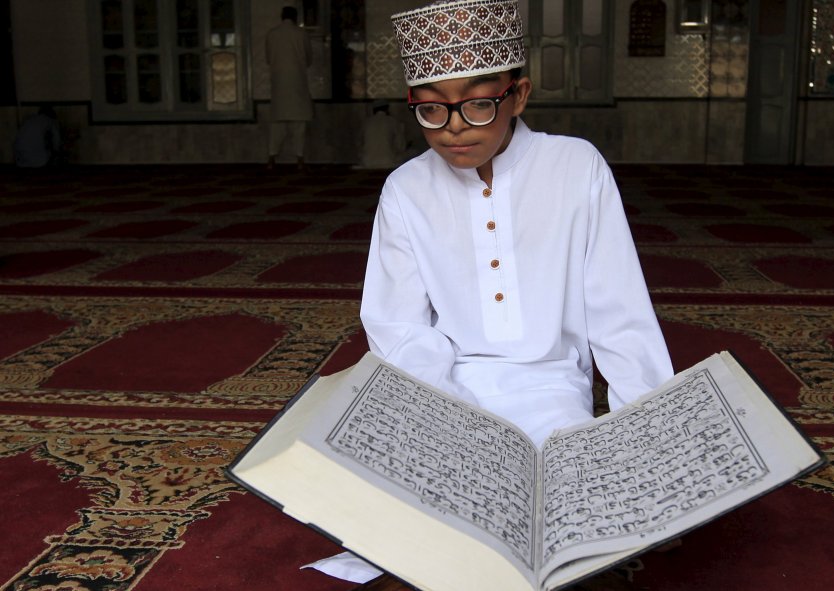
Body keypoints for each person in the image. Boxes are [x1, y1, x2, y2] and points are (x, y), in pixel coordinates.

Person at [313, 1, 675, 588]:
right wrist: (447, 415)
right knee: (410, 513)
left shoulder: (575, 166)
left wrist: (646, 443)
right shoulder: (404, 188)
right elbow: (398, 327)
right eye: (430, 109)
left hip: (552, 388)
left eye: (478, 104)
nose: (453, 126)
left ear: (519, 95)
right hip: (448, 393)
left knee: (558, 524)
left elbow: (620, 312)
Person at [265, 6, 312, 171]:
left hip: (279, 86)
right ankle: (299, 160)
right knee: (299, 126)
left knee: (276, 126)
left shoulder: (272, 34)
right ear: (295, 18)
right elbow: (308, 59)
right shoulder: (301, 34)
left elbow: (269, 58)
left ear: (281, 16)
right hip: (297, 85)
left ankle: (271, 159)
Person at [358, 100, 408, 170]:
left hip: (367, 162)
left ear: (373, 110)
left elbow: (359, 144)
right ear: (387, 109)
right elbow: (401, 146)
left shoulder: (366, 122)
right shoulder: (392, 121)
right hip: (389, 161)